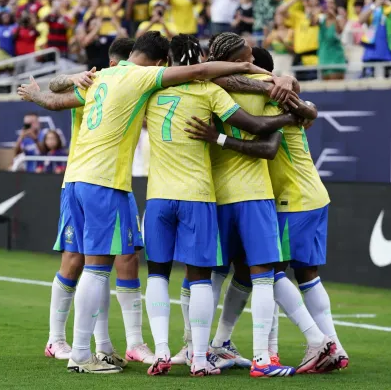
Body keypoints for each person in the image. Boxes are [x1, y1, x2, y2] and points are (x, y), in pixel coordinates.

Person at [17, 31, 271, 374]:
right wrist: (249, 67)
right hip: (107, 181)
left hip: (75, 179)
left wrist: (37, 92)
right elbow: (198, 73)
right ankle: (80, 353)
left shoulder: (102, 76)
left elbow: (55, 99)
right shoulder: (143, 76)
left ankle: (104, 346)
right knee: (97, 267)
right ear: (159, 61)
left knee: (110, 266)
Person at [142, 34, 305, 377]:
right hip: (216, 195)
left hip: (168, 195)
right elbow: (259, 128)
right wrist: (293, 112)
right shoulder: (215, 90)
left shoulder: (150, 90)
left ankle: (171, 350)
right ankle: (250, 358)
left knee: (162, 273)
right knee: (252, 277)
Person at [184, 47, 349, 373]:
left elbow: (268, 144)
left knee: (268, 273)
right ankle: (332, 347)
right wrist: (297, 100)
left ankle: (317, 343)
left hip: (291, 198)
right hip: (308, 195)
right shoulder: (275, 94)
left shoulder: (271, 99)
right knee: (299, 275)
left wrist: (217, 138)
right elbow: (306, 107)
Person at [29, 38, 157, 367]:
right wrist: (73, 77)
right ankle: (58, 339)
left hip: (116, 181)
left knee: (126, 258)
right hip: (87, 179)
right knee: (80, 261)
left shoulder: (127, 88)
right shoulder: (96, 82)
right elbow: (54, 93)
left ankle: (120, 344)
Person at [315, 0, 347, 80]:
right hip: (323, 57)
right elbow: (312, 22)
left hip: (336, 58)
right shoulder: (321, 18)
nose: (329, 5)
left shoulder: (340, 18)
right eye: (326, 3)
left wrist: (334, 17)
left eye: (331, 3)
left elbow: (340, 31)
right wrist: (319, 9)